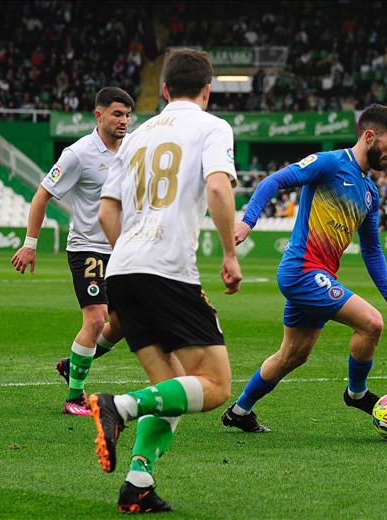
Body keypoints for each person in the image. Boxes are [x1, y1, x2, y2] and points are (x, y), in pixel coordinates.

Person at [91, 49, 242, 513]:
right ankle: (119, 405)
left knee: (174, 390)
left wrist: (129, 253)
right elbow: (218, 187)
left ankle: (137, 483)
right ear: (207, 89)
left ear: (163, 90)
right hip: (167, 270)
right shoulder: (212, 126)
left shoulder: (135, 137)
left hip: (124, 269)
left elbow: (105, 211)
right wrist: (230, 253)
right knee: (214, 385)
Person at [221, 104, 387, 434]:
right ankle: (356, 393)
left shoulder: (369, 192)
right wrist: (248, 221)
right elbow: (275, 180)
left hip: (319, 276)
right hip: (302, 271)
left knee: (292, 355)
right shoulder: (330, 163)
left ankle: (240, 411)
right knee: (371, 324)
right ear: (369, 136)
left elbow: (372, 250)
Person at [11, 87, 135, 415]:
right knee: (95, 319)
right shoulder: (78, 153)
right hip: (88, 249)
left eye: (127, 115)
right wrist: (30, 244)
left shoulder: (133, 149)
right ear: (99, 115)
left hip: (121, 250)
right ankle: (74, 398)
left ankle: (73, 362)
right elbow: (42, 195)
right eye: (117, 114)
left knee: (122, 323)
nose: (124, 121)